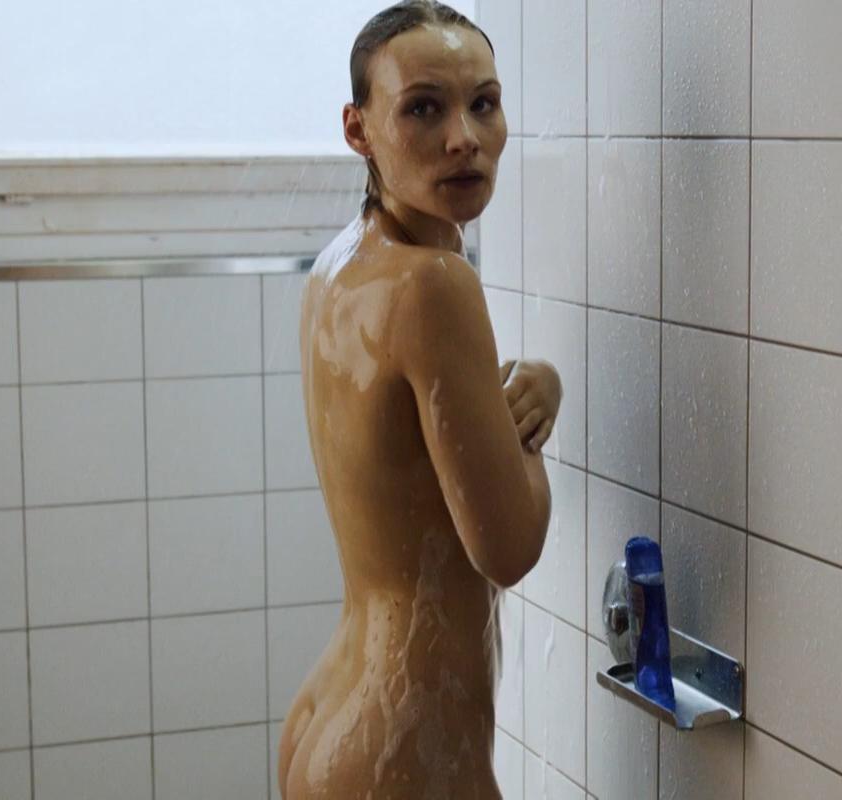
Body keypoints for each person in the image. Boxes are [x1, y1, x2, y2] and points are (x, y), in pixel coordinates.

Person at [277, 2, 560, 797]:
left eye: (484, 103)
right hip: (404, 742)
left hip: (334, 710)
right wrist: (536, 416)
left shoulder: (339, 265)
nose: (464, 137)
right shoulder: (436, 284)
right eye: (424, 109)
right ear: (358, 129)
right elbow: (509, 547)